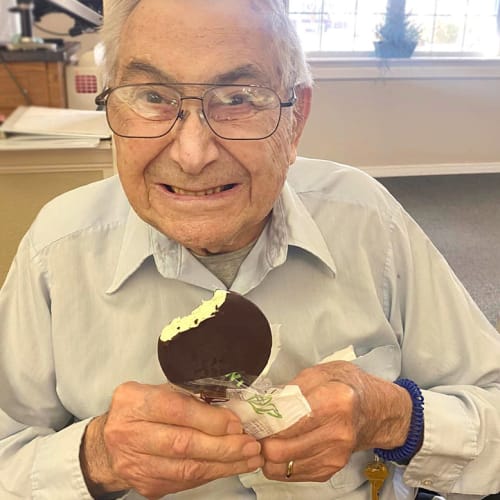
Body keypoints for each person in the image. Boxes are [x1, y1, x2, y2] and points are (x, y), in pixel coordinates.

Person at [0, 0, 499, 498]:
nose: (192, 155)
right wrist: (98, 457)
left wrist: (396, 417)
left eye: (239, 98)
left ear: (295, 117)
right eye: (152, 95)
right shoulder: (58, 250)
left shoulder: (367, 222)